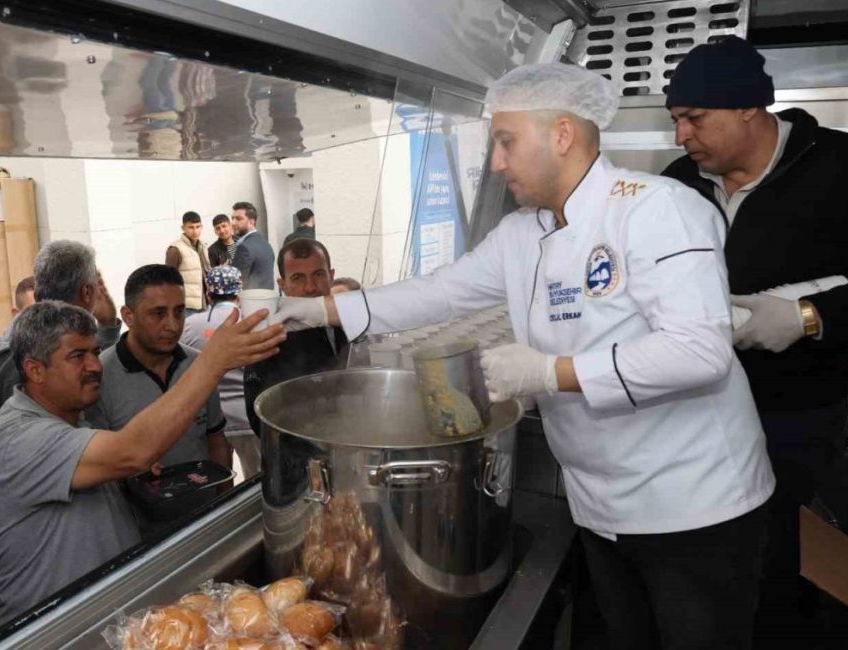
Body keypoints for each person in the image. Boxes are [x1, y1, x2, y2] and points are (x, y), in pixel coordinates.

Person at [274, 63, 774, 649]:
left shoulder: (655, 208)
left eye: (506, 142)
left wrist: (548, 372)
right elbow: (439, 291)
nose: (496, 162)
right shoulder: (522, 234)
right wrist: (322, 312)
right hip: (600, 506)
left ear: (561, 135)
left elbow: (698, 351)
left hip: (695, 510)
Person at [660, 36, 848, 644]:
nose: (682, 137)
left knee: (788, 565)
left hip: (796, 416)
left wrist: (807, 316)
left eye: (694, 119)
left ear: (750, 110)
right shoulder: (680, 181)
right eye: (676, 120)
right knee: (709, 565)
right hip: (697, 415)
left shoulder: (845, 167)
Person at [0, 301, 283, 626]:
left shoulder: (74, 422)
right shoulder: (20, 438)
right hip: (49, 634)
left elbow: (124, 462)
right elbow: (135, 449)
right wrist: (211, 362)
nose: (95, 366)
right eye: (78, 356)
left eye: (94, 352)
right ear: (35, 369)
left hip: (103, 622)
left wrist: (122, 478)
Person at [87, 265, 231, 471]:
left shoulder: (199, 366)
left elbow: (216, 439)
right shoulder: (99, 377)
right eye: (158, 313)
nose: (172, 325)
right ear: (128, 316)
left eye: (179, 312)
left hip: (208, 501)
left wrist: (226, 497)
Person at [0, 240, 121, 409]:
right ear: (87, 292)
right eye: (78, 356)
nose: (93, 366)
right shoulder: (17, 352)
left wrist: (107, 327)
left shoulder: (24, 341)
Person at [245, 238, 348, 435]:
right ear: (282, 285)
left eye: (318, 274)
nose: (311, 287)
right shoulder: (270, 337)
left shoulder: (349, 321)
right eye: (298, 278)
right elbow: (260, 418)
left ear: (331, 276)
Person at [182, 265, 260, 477]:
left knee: (216, 484)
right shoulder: (252, 324)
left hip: (209, 421)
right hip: (248, 418)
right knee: (256, 484)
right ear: (240, 292)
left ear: (208, 292)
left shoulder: (189, 325)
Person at [165, 211, 212, 313]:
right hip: (187, 306)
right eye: (191, 227)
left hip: (205, 303)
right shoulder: (175, 249)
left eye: (198, 227)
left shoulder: (203, 246)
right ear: (183, 228)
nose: (195, 231)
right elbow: (169, 280)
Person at [230, 202, 275, 291]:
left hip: (250, 301)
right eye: (232, 218)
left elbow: (236, 284)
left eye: (238, 219)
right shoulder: (264, 242)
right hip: (265, 300)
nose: (233, 223)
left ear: (251, 222)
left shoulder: (244, 248)